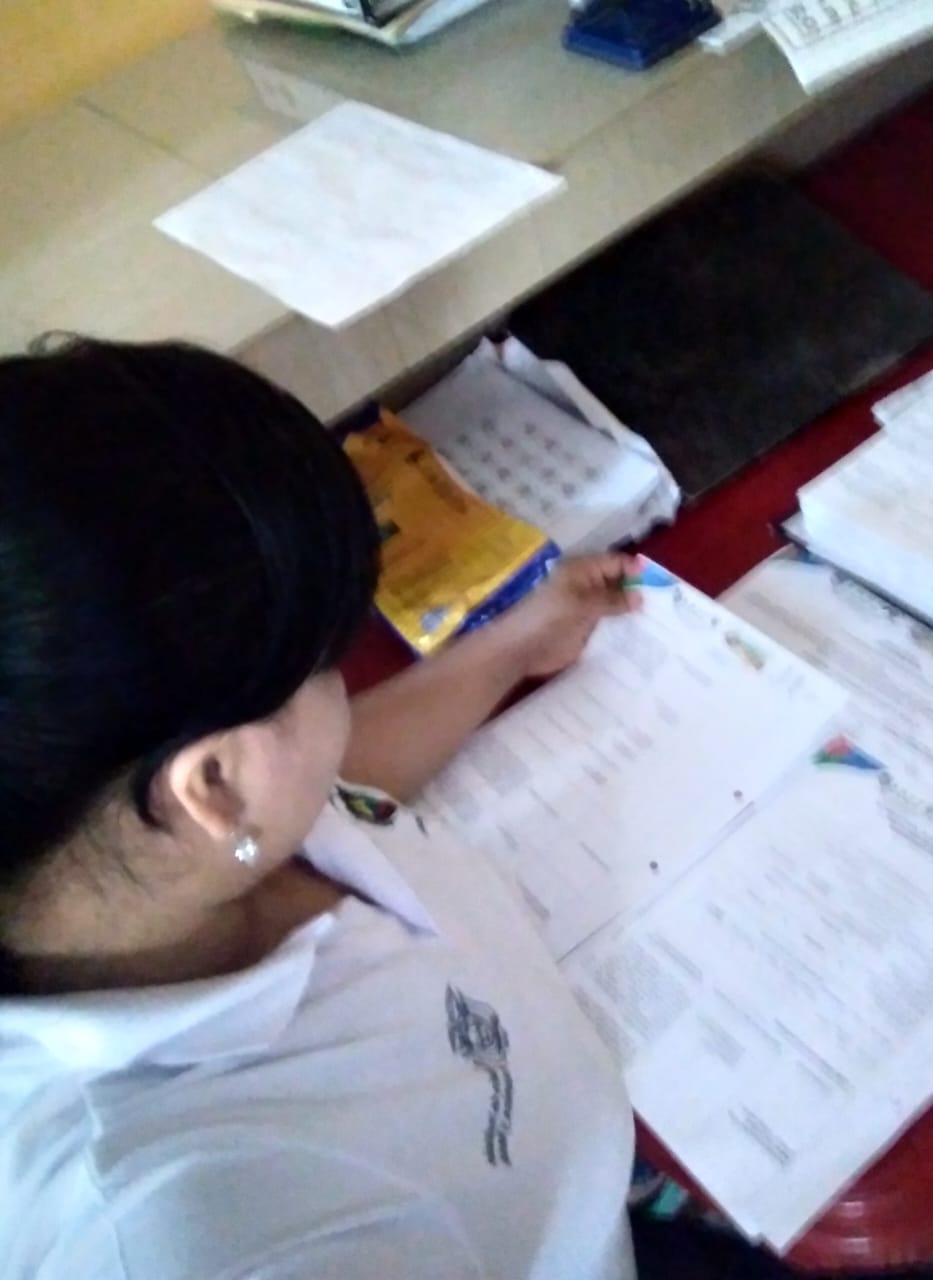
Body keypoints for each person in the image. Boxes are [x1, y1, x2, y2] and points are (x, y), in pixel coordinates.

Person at [0, 337, 645, 1280]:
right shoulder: (208, 1229)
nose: (341, 696)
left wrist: (512, 645)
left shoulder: (125, 848)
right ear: (215, 785)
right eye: (326, 667)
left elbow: (331, 795)